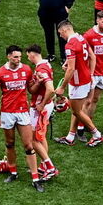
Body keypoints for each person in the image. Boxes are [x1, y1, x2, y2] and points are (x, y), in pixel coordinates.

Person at [0, 44, 46, 192]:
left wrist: (38, 83)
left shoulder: (26, 69)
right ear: (8, 56)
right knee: (9, 143)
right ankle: (13, 171)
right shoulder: (0, 73)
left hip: (22, 112)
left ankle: (35, 178)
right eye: (15, 57)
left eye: (20, 57)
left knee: (28, 145)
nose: (18, 59)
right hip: (7, 113)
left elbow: (30, 89)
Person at [53, 20, 103, 147]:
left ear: (65, 30)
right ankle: (70, 137)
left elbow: (71, 69)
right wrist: (91, 74)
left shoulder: (70, 45)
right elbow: (92, 57)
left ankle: (97, 135)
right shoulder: (81, 38)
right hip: (86, 78)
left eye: (60, 33)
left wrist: (62, 87)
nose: (60, 36)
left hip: (78, 82)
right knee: (77, 109)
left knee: (77, 111)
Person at [24, 44, 60, 181]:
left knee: (33, 140)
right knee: (41, 137)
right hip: (46, 105)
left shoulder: (41, 69)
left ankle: (50, 168)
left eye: (28, 56)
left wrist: (41, 104)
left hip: (40, 108)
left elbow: (50, 89)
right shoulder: (46, 64)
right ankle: (44, 166)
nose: (28, 59)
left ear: (32, 54)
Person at [81, 11, 103, 140]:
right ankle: (81, 126)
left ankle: (88, 122)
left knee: (95, 99)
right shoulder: (89, 35)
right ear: (97, 21)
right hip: (91, 73)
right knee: (87, 101)